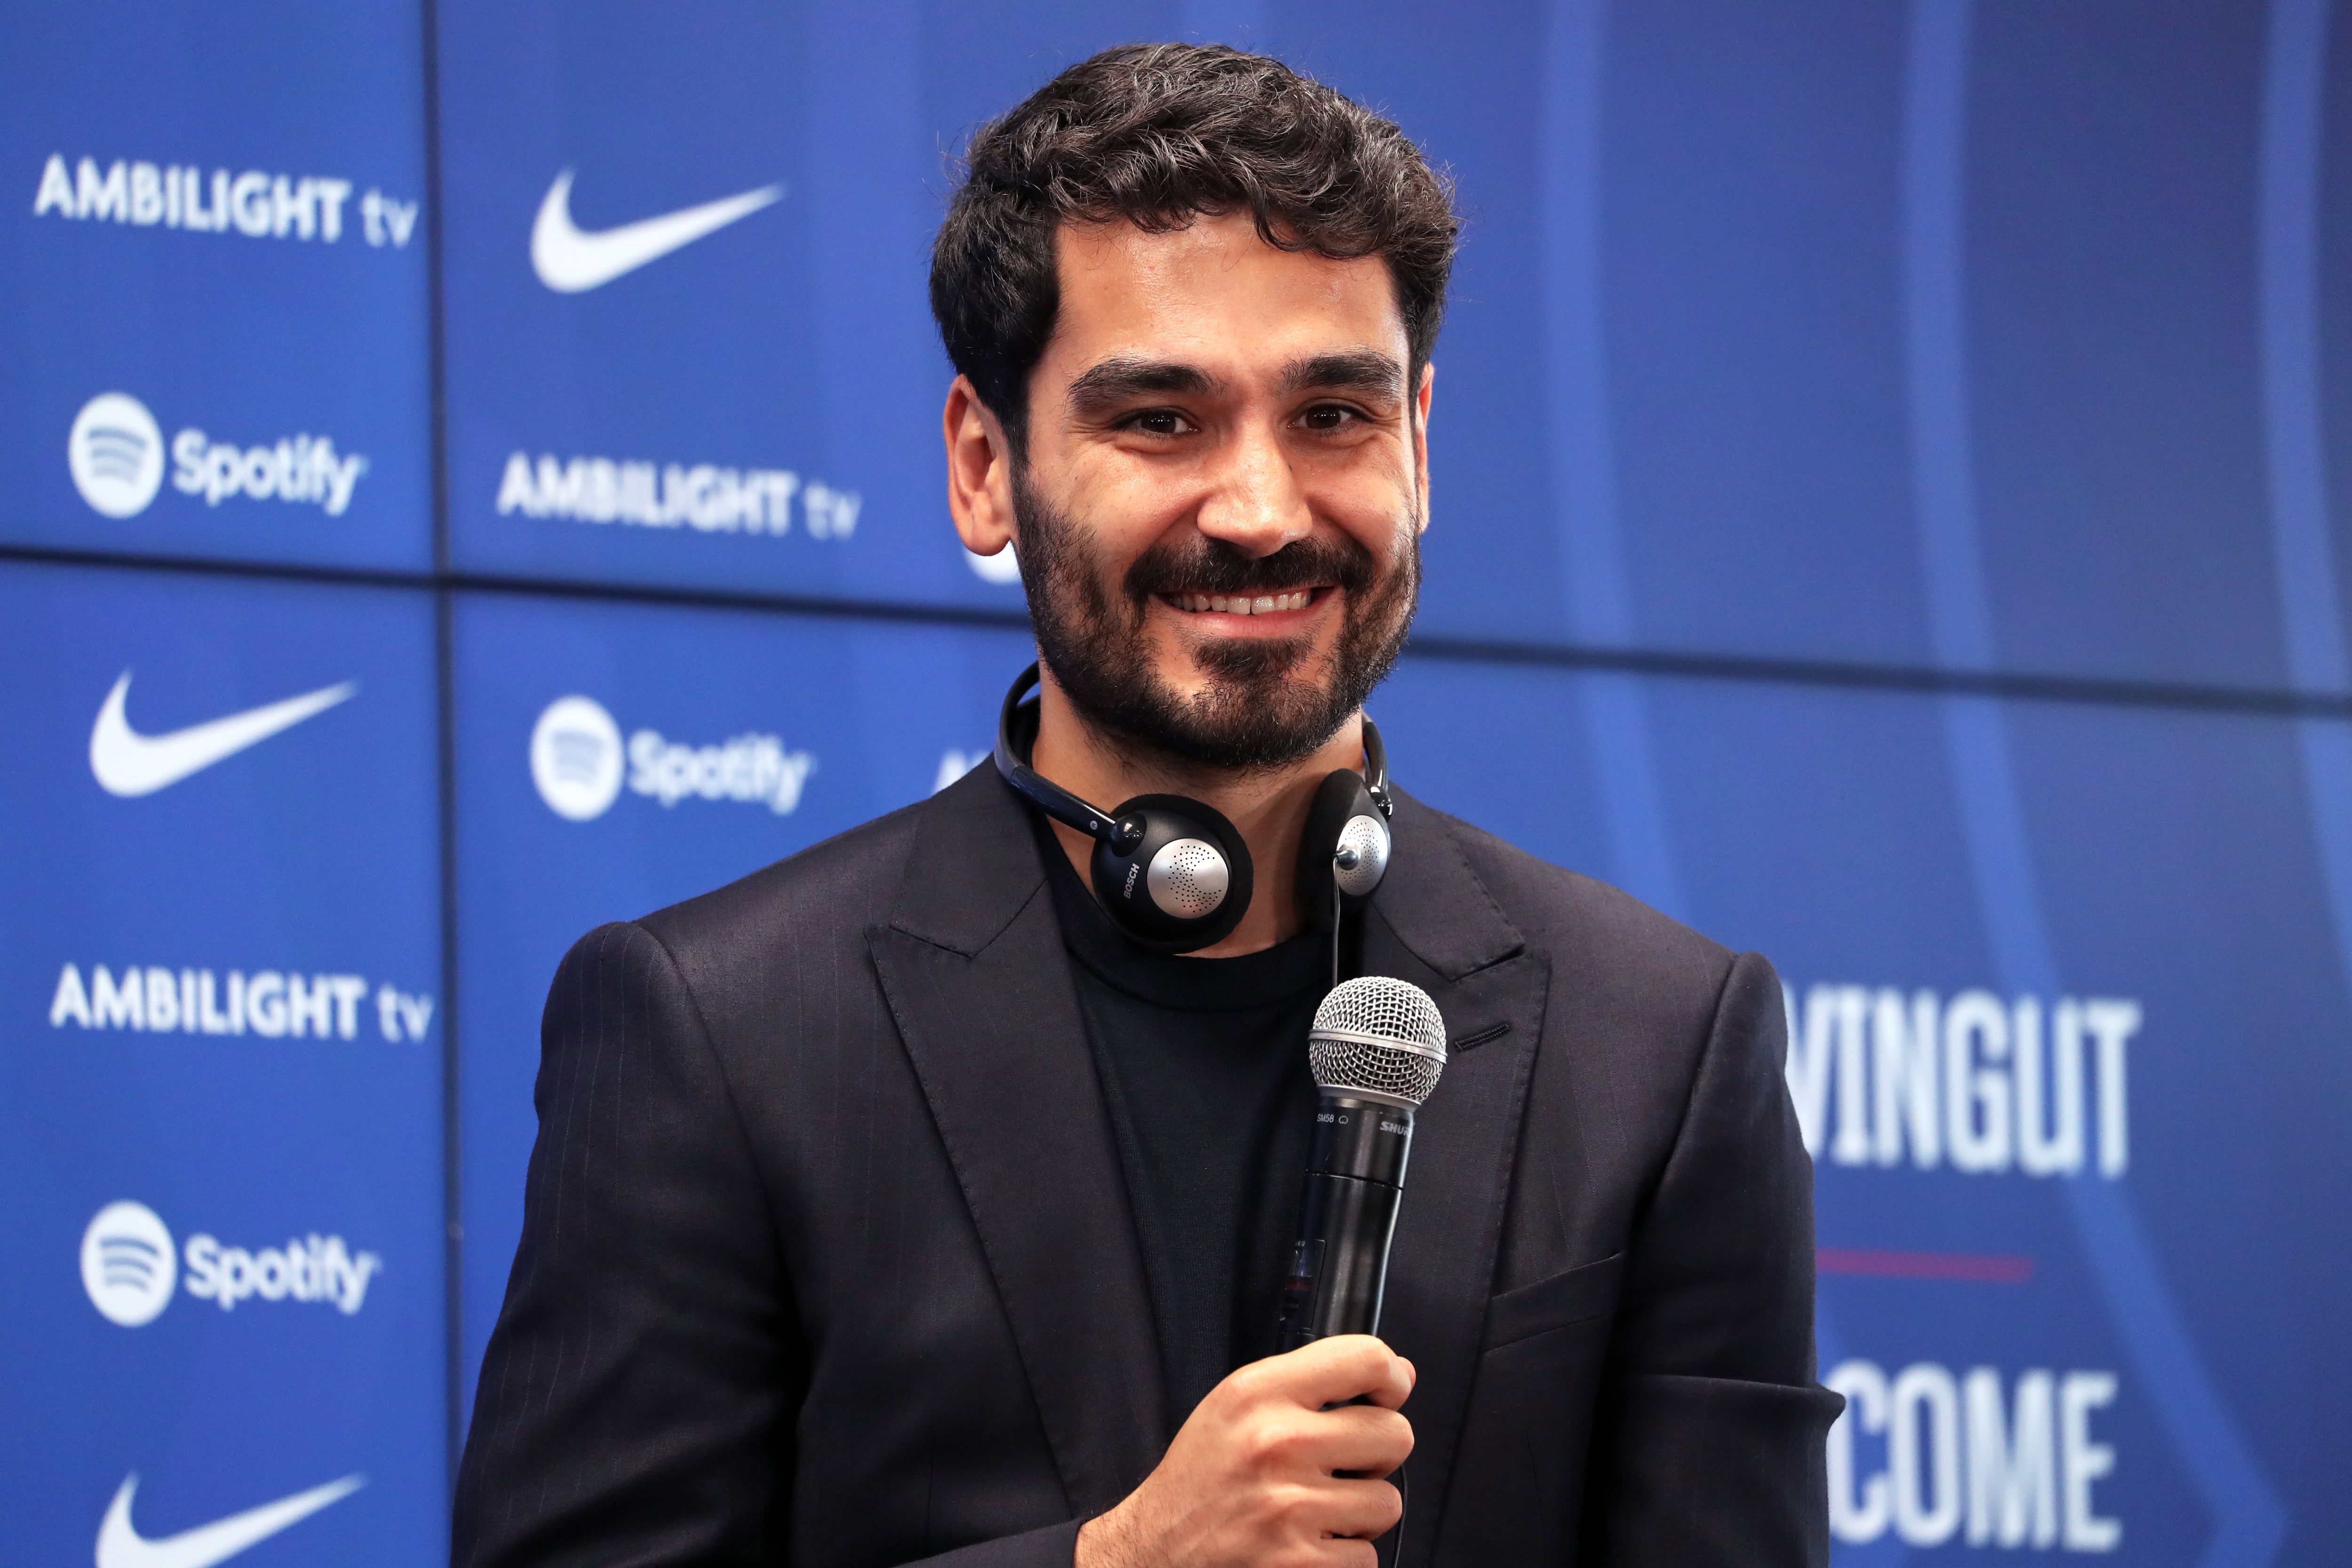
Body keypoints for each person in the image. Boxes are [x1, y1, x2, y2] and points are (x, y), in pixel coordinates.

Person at [454, 42, 1838, 1568]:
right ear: (987, 468)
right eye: (1160, 421)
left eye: (1334, 415)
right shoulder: (721, 1033)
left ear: (1421, 445)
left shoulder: (1664, 1045)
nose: (1261, 510)